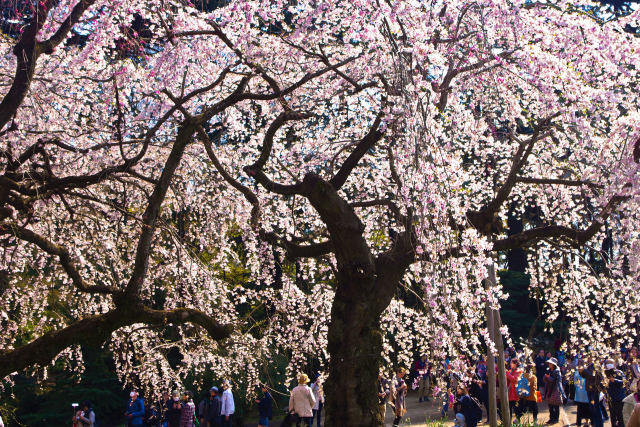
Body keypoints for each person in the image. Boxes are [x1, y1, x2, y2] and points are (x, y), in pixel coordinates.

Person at [579, 359, 604, 427]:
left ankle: (599, 424)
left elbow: (592, 375)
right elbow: (583, 376)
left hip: (594, 390)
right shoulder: (588, 367)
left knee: (596, 408)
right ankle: (595, 424)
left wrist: (584, 370)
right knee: (592, 408)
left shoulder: (597, 367)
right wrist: (580, 371)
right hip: (589, 390)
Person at [543, 357, 565, 425]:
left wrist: (548, 377)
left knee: (555, 405)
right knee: (550, 405)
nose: (549, 364)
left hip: (555, 390)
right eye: (549, 363)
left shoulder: (557, 371)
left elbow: (556, 381)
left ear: (554, 364)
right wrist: (545, 377)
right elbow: (545, 380)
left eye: (550, 363)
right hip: (549, 389)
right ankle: (551, 418)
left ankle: (556, 419)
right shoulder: (549, 370)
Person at [605, 360, 626, 427]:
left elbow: (624, 382)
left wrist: (615, 380)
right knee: (613, 418)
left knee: (621, 417)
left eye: (611, 363)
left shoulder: (619, 372)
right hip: (611, 399)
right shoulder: (605, 373)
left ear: (614, 364)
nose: (609, 364)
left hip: (620, 398)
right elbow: (603, 385)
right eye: (608, 363)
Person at [574, 360, 590, 427]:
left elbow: (575, 383)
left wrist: (579, 387)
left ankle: (584, 423)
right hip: (581, 394)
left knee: (583, 409)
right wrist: (579, 387)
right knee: (581, 409)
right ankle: (580, 423)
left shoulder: (586, 372)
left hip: (584, 393)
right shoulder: (577, 373)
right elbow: (575, 383)